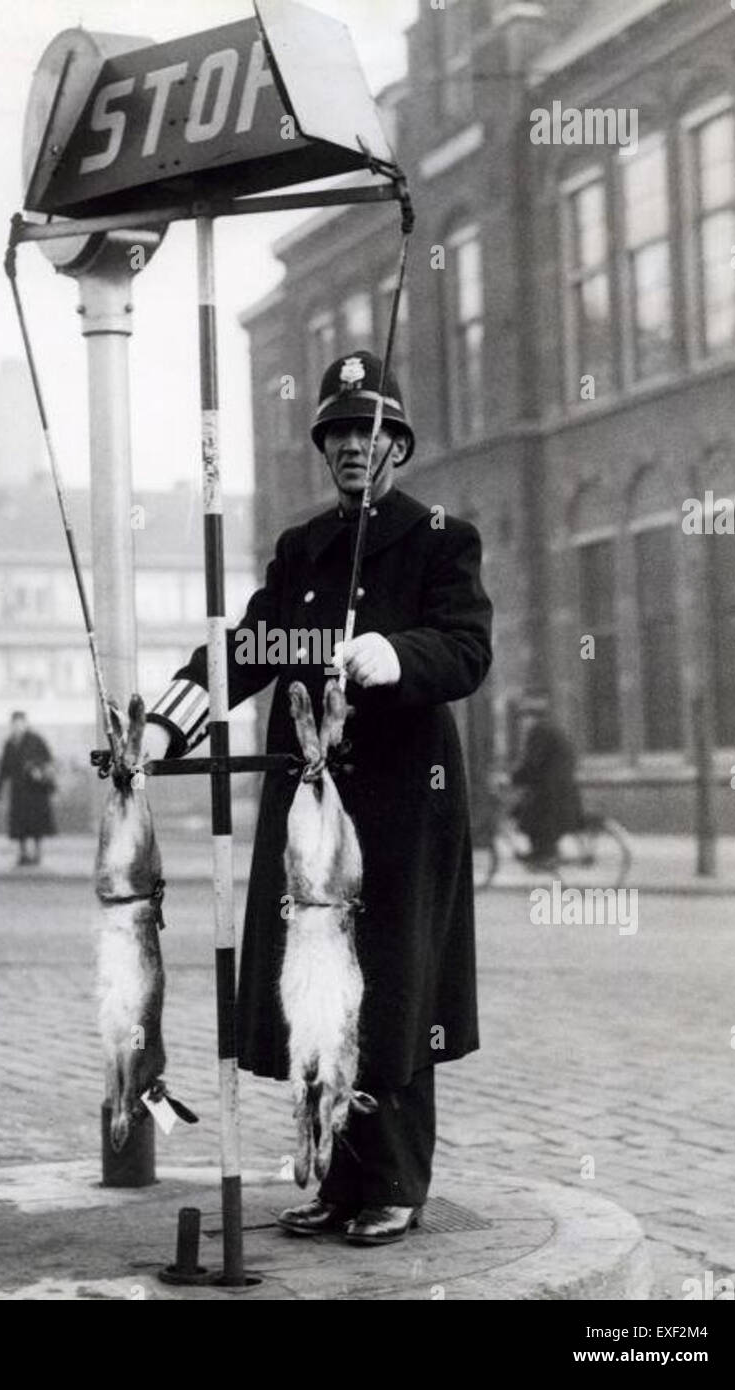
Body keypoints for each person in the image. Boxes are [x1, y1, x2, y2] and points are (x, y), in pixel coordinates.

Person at [142, 350, 493, 1246]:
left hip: (401, 810)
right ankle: (336, 1180)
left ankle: (395, 1185)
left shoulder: (441, 538)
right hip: (309, 810)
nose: (350, 446)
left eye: (369, 432)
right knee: (315, 989)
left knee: (391, 992)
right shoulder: (302, 548)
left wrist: (396, 655)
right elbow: (247, 649)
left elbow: (465, 649)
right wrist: (165, 725)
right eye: (336, 431)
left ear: (398, 448)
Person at [511, 696, 583, 863]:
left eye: (524, 717)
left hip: (552, 789)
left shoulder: (539, 731)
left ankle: (543, 854)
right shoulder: (550, 729)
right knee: (525, 809)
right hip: (560, 787)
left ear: (531, 717)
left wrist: (513, 778)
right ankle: (543, 851)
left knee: (528, 813)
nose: (523, 722)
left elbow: (533, 762)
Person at [0, 712, 56, 866]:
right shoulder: (9, 744)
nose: (17, 727)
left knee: (36, 824)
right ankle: (23, 853)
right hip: (19, 791)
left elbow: (48, 759)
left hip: (35, 790)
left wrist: (37, 767)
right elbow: (4, 767)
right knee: (20, 825)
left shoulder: (36, 740)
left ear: (25, 724)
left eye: (20, 723)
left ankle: (37, 853)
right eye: (15, 724)